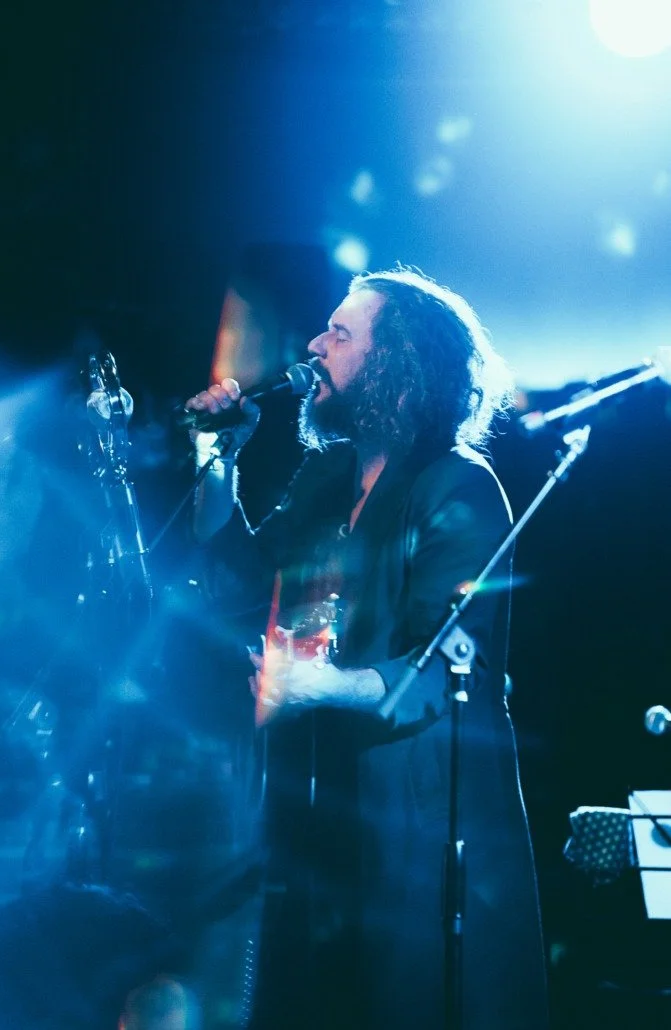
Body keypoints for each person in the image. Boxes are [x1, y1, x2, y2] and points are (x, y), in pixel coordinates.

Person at [186, 266, 548, 1030]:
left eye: (339, 333)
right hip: (325, 816)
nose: (314, 345)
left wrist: (316, 686)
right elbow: (237, 584)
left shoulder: (457, 486)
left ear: (396, 363)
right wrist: (217, 457)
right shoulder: (327, 477)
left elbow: (444, 670)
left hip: (420, 822)